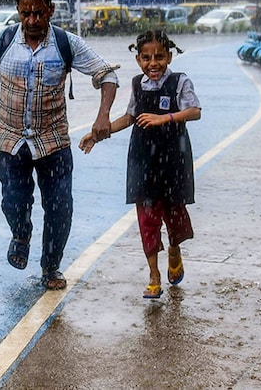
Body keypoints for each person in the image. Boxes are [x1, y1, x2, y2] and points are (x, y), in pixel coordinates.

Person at [0, 0, 119, 291]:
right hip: (11, 140)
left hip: (53, 140)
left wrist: (103, 115)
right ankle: (21, 232)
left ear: (51, 10)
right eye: (26, 13)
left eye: (39, 13)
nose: (32, 21)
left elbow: (106, 74)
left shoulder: (66, 43)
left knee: (60, 207)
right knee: (12, 202)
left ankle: (51, 266)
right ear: (18, 10)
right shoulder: (1, 41)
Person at [79, 29, 201, 299]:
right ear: (138, 60)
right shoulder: (136, 84)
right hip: (142, 160)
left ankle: (174, 249)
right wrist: (99, 134)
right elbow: (129, 118)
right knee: (147, 219)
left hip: (174, 161)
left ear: (169, 56)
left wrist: (164, 118)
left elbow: (194, 111)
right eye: (146, 58)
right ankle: (154, 275)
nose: (153, 63)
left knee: (176, 216)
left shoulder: (180, 81)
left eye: (159, 56)